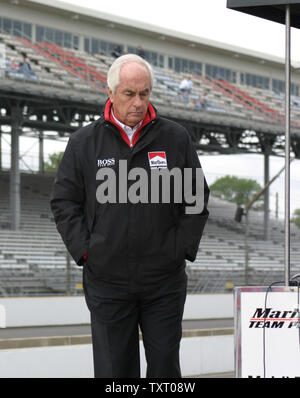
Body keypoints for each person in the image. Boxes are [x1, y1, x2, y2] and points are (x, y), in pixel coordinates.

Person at [50, 54, 209, 378]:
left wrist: (179, 249)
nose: (138, 102)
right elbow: (64, 202)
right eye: (129, 94)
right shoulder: (83, 143)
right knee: (114, 372)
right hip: (107, 282)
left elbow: (196, 199)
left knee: (165, 368)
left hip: (163, 282)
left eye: (145, 94)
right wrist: (87, 251)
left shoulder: (175, 138)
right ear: (111, 93)